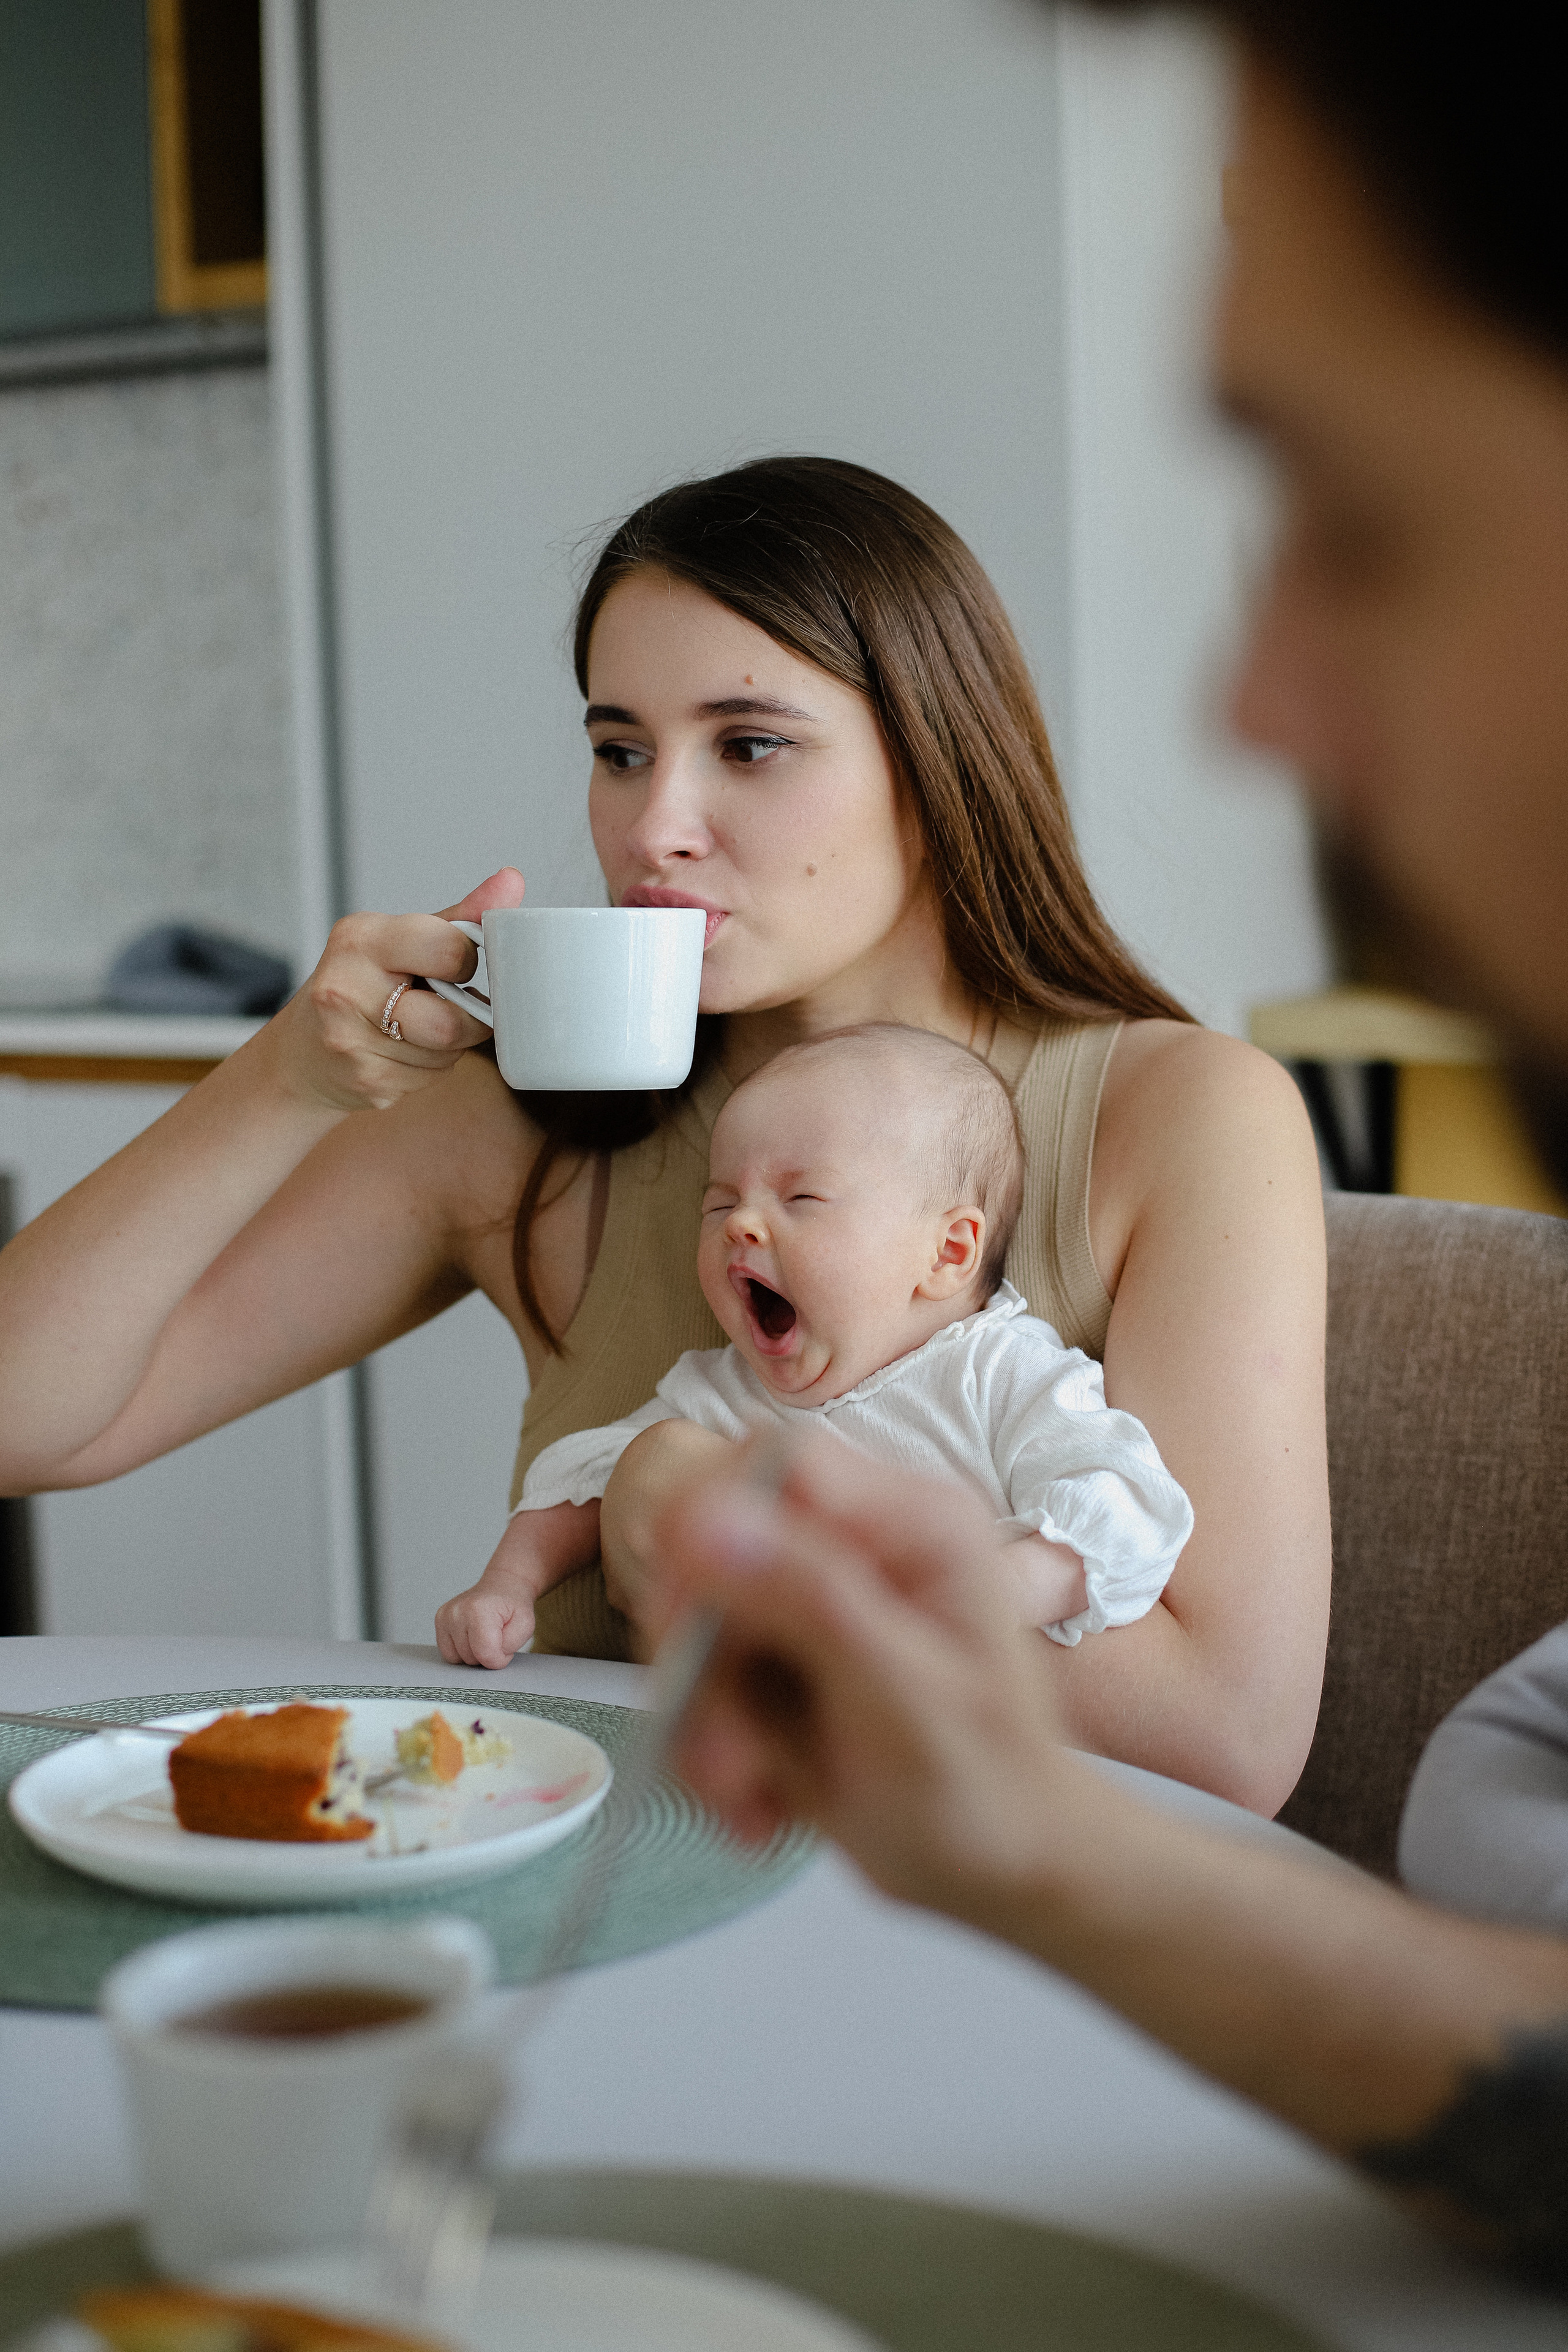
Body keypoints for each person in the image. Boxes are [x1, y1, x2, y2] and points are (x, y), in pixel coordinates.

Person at [652, 0, 1568, 2285]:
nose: (1241, 697)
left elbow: (1202, 1685)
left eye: (1347, 507)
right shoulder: (573, 1127)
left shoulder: (1158, 1130)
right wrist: (1033, 1855)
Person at [0, 456, 1329, 1815]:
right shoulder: (522, 1128)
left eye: (747, 746)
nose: (652, 827)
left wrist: (701, 1528)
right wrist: (285, 1078)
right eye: (619, 749)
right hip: (591, 1930)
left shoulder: (1181, 1120)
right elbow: (23, 1419)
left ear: (932, 769)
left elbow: (1219, 1744)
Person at [434, 1023, 1191, 1665]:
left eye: (801, 1199)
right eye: (721, 1200)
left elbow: (1122, 1500)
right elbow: (587, 1479)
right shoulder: (723, 1392)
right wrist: (505, 1586)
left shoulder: (1001, 1372)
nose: (741, 1224)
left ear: (949, 1253)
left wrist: (1002, 1588)